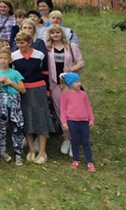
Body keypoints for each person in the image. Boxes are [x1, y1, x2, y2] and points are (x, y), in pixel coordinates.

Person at [11, 31, 54, 164]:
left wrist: (47, 90)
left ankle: (42, 152)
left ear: (29, 42)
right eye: (18, 42)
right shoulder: (14, 56)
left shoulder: (39, 55)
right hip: (23, 90)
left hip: (39, 88)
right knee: (27, 118)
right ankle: (31, 150)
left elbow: (45, 72)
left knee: (41, 118)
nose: (20, 45)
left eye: (23, 42)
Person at [45, 23, 84, 155]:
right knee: (60, 111)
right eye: (52, 33)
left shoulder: (71, 47)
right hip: (55, 84)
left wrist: (71, 69)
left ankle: (74, 140)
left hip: (70, 84)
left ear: (62, 33)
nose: (55, 35)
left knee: (72, 111)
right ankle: (66, 137)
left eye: (57, 32)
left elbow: (81, 62)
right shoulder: (48, 48)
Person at [0, 50, 26, 165]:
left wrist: (11, 83)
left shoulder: (15, 73)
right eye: (1, 58)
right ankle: (2, 150)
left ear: (10, 60)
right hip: (2, 103)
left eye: (5, 58)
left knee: (17, 127)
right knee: (2, 127)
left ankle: (18, 153)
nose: (3, 60)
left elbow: (23, 90)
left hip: (14, 103)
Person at [60, 72, 95, 172]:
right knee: (74, 141)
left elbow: (88, 107)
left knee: (85, 142)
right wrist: (64, 122)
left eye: (79, 81)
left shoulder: (83, 94)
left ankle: (90, 162)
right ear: (70, 84)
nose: (79, 84)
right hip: (72, 121)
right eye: (76, 82)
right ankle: (76, 160)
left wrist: (91, 118)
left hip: (84, 121)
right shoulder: (65, 95)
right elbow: (63, 110)